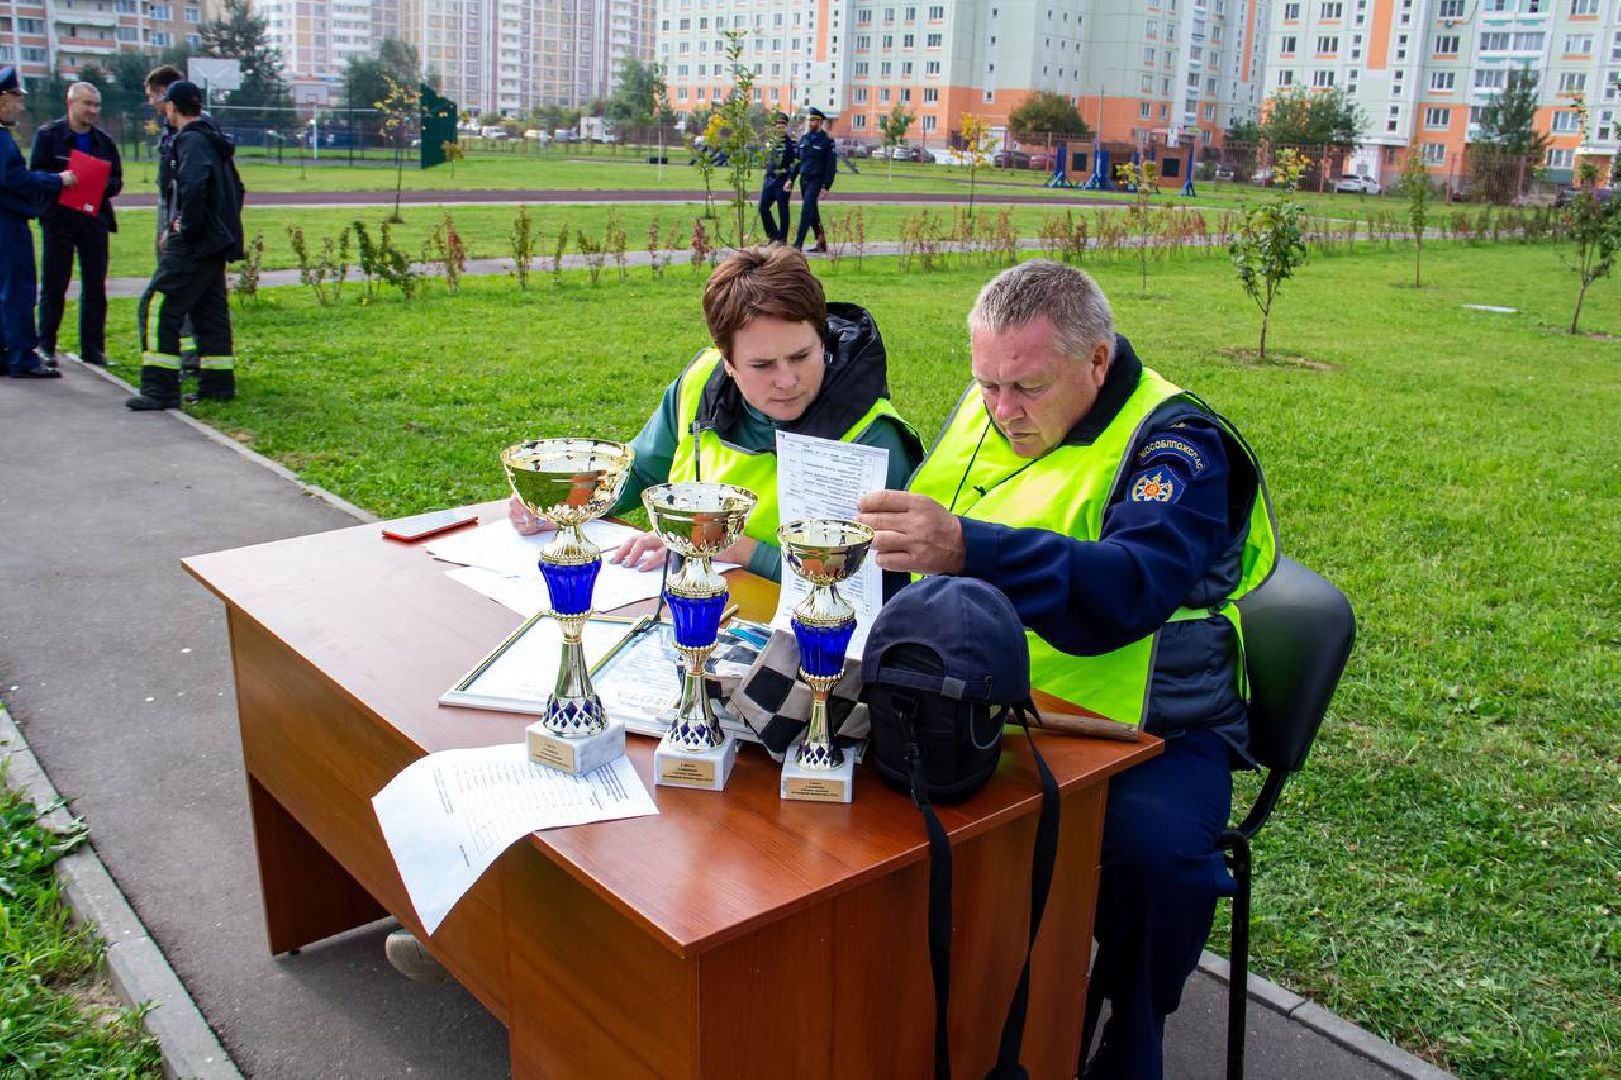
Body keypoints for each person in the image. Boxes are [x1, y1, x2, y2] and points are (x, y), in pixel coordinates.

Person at [855, 260, 1278, 1079]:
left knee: (1160, 862)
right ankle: (918, 1027)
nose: (1001, 409)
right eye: (986, 383)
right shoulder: (990, 404)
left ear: (1095, 360)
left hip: (1141, 729)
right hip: (981, 700)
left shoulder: (1177, 445)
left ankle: (1132, 1028)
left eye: (1025, 388)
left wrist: (967, 547)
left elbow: (1131, 588)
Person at [509, 245, 923, 584]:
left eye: (802, 356)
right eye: (761, 365)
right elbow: (645, 470)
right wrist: (567, 501)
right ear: (726, 361)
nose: (786, 380)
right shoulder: (699, 382)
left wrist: (728, 545)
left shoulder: (874, 439)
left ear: (823, 340)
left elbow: (872, 583)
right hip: (699, 600)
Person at [128, 80, 244, 411]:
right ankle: (218, 383)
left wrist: (182, 226)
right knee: (209, 313)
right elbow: (238, 189)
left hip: (194, 242)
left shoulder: (191, 141)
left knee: (157, 304)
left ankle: (159, 388)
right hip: (215, 241)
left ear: (173, 108)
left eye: (165, 104)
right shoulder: (214, 141)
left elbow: (193, 186)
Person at [31, 80, 123, 367]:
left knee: (95, 286)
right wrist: (62, 180)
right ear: (71, 103)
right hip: (59, 219)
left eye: (96, 105)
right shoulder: (48, 136)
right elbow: (36, 174)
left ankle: (93, 348)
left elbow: (117, 180)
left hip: (93, 218)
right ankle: (45, 345)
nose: (92, 110)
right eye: (87, 104)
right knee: (54, 284)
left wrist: (98, 184)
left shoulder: (104, 142)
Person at [0, 66, 76, 379]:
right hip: (8, 222)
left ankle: (7, 353)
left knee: (5, 289)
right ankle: (22, 357)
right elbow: (14, 177)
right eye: (17, 98)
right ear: (2, 97)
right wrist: (56, 180)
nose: (21, 106)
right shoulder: (2, 139)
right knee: (18, 289)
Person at [791, 107, 836, 253]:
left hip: (816, 180)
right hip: (804, 179)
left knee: (806, 211)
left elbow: (830, 166)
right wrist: (790, 179)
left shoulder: (826, 141)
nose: (811, 122)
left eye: (815, 120)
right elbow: (798, 161)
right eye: (810, 119)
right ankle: (821, 242)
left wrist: (826, 186)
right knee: (812, 212)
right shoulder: (804, 139)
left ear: (821, 121)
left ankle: (798, 244)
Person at [757, 111, 797, 244]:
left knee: (783, 210)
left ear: (786, 127)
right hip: (769, 180)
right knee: (763, 207)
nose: (780, 129)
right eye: (778, 126)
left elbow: (793, 164)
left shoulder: (790, 144)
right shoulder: (771, 143)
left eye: (783, 127)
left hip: (783, 181)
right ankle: (773, 235)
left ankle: (782, 239)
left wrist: (790, 179)